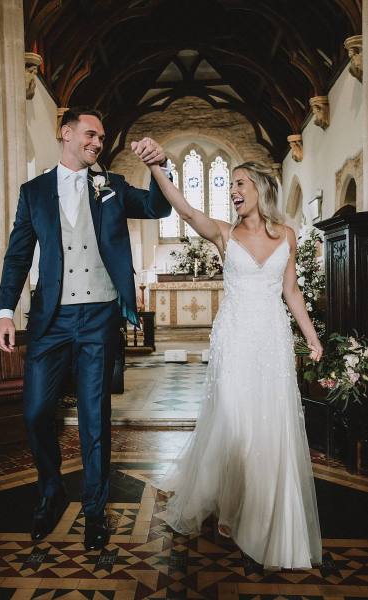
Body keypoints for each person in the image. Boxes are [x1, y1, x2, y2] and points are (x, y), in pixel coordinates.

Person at [0, 107, 171, 550]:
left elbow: (156, 207)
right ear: (66, 133)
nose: (97, 142)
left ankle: (95, 511)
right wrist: (3, 311)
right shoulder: (33, 192)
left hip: (99, 317)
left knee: (95, 418)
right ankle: (51, 492)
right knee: (36, 413)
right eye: (91, 134)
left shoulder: (110, 185)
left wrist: (157, 165)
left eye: (102, 137)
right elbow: (18, 256)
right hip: (49, 320)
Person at [134, 157, 323, 570]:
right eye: (230, 186)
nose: (233, 191)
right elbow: (184, 210)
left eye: (239, 183)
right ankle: (232, 506)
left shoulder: (287, 236)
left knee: (269, 425)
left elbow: (291, 292)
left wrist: (310, 336)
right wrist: (157, 170)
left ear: (258, 187)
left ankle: (263, 513)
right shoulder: (224, 234)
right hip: (234, 339)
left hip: (272, 340)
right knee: (236, 423)